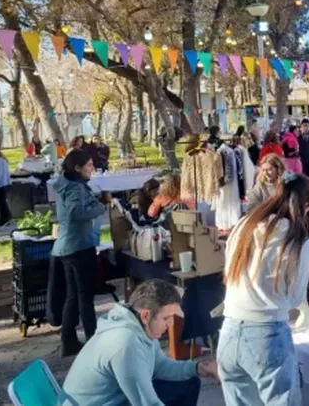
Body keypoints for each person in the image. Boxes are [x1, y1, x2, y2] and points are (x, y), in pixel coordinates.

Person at [219, 174, 309, 405]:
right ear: (307, 206)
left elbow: (229, 265)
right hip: (266, 334)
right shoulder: (297, 239)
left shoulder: (245, 224)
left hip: (229, 331)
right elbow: (295, 298)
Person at [62, 279, 218, 406]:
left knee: (189, 381)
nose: (170, 324)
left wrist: (198, 367)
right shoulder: (125, 343)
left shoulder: (138, 326)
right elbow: (147, 403)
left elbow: (160, 366)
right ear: (145, 315)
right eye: (166, 318)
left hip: (113, 399)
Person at [51, 149, 108, 357]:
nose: (92, 169)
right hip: (79, 246)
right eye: (89, 166)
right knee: (85, 297)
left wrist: (97, 201)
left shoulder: (68, 184)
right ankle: (93, 340)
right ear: (77, 168)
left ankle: (69, 340)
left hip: (67, 246)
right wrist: (100, 209)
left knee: (73, 296)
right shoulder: (74, 188)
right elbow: (77, 212)